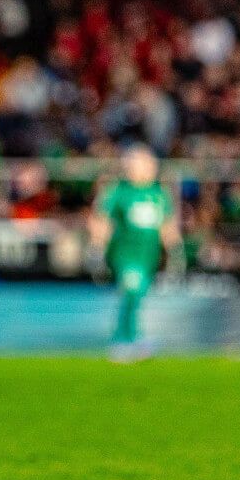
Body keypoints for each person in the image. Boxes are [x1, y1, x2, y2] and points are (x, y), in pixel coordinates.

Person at [88, 144, 180, 354]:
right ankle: (121, 340)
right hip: (124, 253)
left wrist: (175, 249)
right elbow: (101, 219)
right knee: (131, 290)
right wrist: (97, 246)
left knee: (137, 295)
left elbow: (167, 224)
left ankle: (133, 336)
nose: (149, 168)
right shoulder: (118, 191)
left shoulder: (159, 193)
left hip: (149, 254)